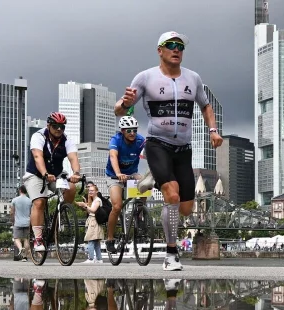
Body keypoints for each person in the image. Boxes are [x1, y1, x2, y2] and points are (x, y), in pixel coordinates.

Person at [116, 31, 223, 271]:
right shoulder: (145, 78)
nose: (177, 49)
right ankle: (171, 253)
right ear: (159, 50)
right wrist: (124, 102)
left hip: (183, 149)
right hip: (157, 144)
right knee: (172, 196)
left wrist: (213, 130)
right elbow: (119, 111)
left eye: (180, 46)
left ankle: (156, 177)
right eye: (171, 45)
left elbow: (206, 106)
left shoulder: (193, 78)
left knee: (185, 208)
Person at [23, 112, 83, 252]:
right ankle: (38, 239)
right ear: (48, 125)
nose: (59, 129)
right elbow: (38, 157)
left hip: (56, 175)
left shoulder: (66, 140)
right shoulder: (38, 136)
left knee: (71, 188)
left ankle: (59, 216)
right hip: (36, 174)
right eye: (55, 126)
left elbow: (73, 158)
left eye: (62, 127)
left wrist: (76, 173)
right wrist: (45, 173)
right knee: (39, 202)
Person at [105, 116, 146, 253]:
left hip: (132, 173)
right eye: (129, 130)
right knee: (116, 207)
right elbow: (113, 156)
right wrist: (118, 173)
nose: (132, 133)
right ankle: (110, 239)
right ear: (122, 131)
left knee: (146, 184)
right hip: (114, 175)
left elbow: (150, 155)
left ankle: (139, 213)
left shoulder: (140, 140)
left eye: (134, 130)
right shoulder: (116, 140)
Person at [76, 182, 104, 263]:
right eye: (89, 191)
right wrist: (85, 205)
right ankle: (99, 259)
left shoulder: (97, 200)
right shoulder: (95, 200)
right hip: (93, 220)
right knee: (96, 242)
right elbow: (89, 212)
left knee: (90, 240)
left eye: (92, 190)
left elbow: (93, 210)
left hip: (94, 221)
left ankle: (91, 258)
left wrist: (85, 205)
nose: (90, 192)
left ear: (96, 192)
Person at [10, 185, 32, 262]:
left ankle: (20, 248)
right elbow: (31, 213)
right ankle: (25, 257)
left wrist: (12, 221)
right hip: (27, 222)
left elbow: (12, 212)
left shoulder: (14, 200)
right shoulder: (30, 201)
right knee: (26, 239)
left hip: (17, 222)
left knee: (16, 238)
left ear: (20, 190)